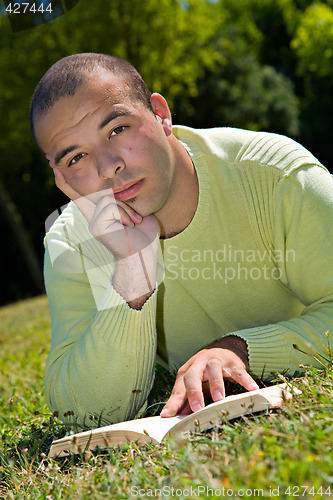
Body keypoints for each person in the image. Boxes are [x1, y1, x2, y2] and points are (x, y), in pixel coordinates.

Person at [30, 53, 333, 427]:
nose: (108, 168)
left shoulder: (277, 175)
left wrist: (242, 349)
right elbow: (80, 411)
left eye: (117, 129)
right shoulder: (70, 239)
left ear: (161, 114)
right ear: (59, 175)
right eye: (76, 158)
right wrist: (132, 275)